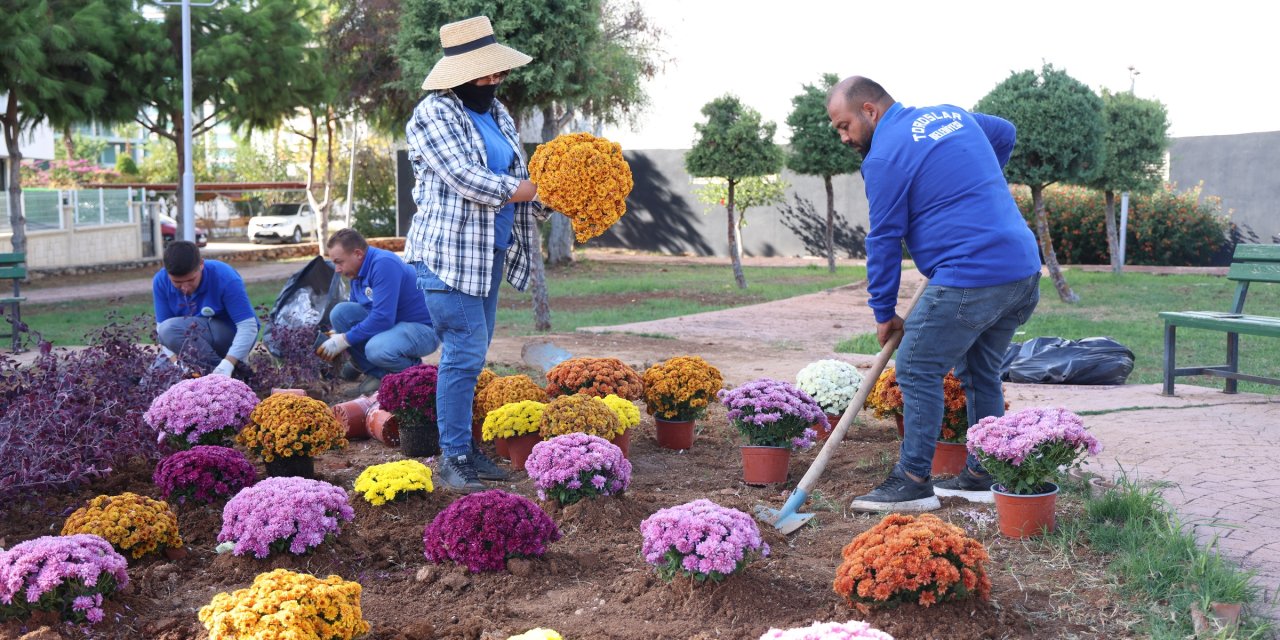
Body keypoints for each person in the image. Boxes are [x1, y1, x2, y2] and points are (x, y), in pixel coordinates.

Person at [826, 76, 1042, 512]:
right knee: (981, 372)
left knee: (917, 364)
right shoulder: (950, 115)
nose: (844, 137)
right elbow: (1005, 132)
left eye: (844, 125)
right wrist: (971, 185)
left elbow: (884, 238)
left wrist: (883, 311)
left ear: (870, 110)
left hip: (971, 273)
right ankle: (985, 472)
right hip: (1021, 268)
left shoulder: (884, 157)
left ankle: (912, 481)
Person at [404, 16, 549, 492]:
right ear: (459, 76)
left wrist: (549, 191)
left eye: (497, 73)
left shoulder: (498, 112)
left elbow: (519, 172)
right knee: (464, 353)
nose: (494, 81)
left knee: (472, 353)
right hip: (449, 256)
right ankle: (454, 458)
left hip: (488, 253)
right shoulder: (433, 115)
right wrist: (525, 189)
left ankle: (465, 452)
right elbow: (465, 178)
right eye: (484, 75)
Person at [318, 228, 439, 396]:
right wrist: (337, 333)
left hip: (422, 330)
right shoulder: (357, 271)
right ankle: (379, 376)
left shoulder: (384, 264)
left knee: (376, 349)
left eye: (339, 262)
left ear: (358, 254)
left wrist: (345, 339)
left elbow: (383, 318)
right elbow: (356, 310)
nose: (337, 269)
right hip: (395, 324)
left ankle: (421, 376)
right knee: (340, 314)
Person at [153, 240, 258, 379]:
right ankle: (213, 377)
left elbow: (248, 327)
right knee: (151, 381)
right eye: (177, 282)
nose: (185, 287)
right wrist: (178, 364)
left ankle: (227, 376)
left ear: (201, 264)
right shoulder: (160, 281)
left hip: (229, 339)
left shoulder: (224, 276)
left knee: (170, 329)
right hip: (190, 345)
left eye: (191, 280)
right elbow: (162, 333)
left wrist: (228, 363)